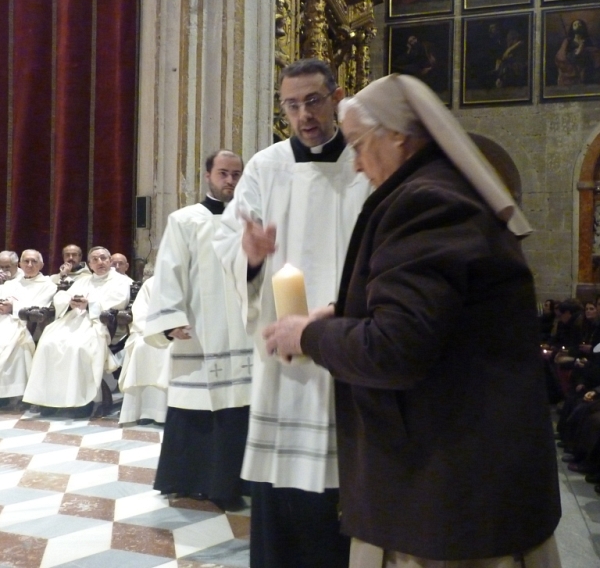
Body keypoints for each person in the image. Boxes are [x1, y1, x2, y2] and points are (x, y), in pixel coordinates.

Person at [263, 73, 561, 568]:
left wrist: (310, 334)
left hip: (445, 488)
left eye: (359, 144)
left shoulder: (426, 202)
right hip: (468, 479)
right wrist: (346, 313)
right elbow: (443, 315)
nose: (357, 165)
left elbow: (395, 350)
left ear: (398, 134)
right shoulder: (445, 190)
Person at [214, 58, 372, 568]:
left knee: (350, 478)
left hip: (351, 336)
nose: (303, 115)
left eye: (314, 101)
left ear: (338, 96)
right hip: (285, 345)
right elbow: (229, 239)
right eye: (291, 104)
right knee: (283, 489)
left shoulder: (367, 163)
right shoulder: (265, 166)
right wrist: (252, 255)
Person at [144, 149, 253, 510]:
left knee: (239, 406)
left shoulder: (250, 220)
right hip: (200, 330)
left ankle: (236, 482)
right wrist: (171, 317)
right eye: (224, 173)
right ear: (208, 175)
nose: (230, 181)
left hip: (242, 330)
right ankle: (190, 479)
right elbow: (170, 269)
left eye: (236, 174)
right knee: (198, 405)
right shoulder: (185, 219)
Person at [23, 246, 130, 418]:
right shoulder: (83, 281)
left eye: (103, 258)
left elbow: (119, 303)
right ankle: (48, 399)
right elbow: (61, 297)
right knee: (47, 344)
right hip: (72, 321)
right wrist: (70, 301)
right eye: (94, 259)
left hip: (98, 324)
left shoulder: (121, 281)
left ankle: (81, 402)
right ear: (89, 264)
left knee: (77, 347)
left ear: (110, 261)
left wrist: (89, 304)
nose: (99, 262)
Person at [0, 250, 56, 405]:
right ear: (20, 264)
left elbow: (40, 307)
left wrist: (13, 307)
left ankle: (9, 392)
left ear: (42, 265)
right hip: (3, 319)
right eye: (26, 261)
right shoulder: (10, 283)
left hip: (25, 324)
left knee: (8, 344)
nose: (29, 265)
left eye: (34, 261)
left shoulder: (48, 285)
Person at [118, 266, 169, 426]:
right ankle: (144, 410)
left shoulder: (189, 281)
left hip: (180, 334)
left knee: (171, 350)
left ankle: (168, 412)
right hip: (149, 331)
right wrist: (153, 330)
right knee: (142, 347)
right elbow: (140, 311)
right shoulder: (151, 284)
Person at [555, 19, 600, 87]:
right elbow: (560, 57)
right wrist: (576, 52)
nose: (578, 26)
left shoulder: (589, 40)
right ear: (572, 28)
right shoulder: (568, 41)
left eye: (580, 24)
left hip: (586, 71)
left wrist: (585, 50)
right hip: (570, 72)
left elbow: (595, 53)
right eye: (575, 25)